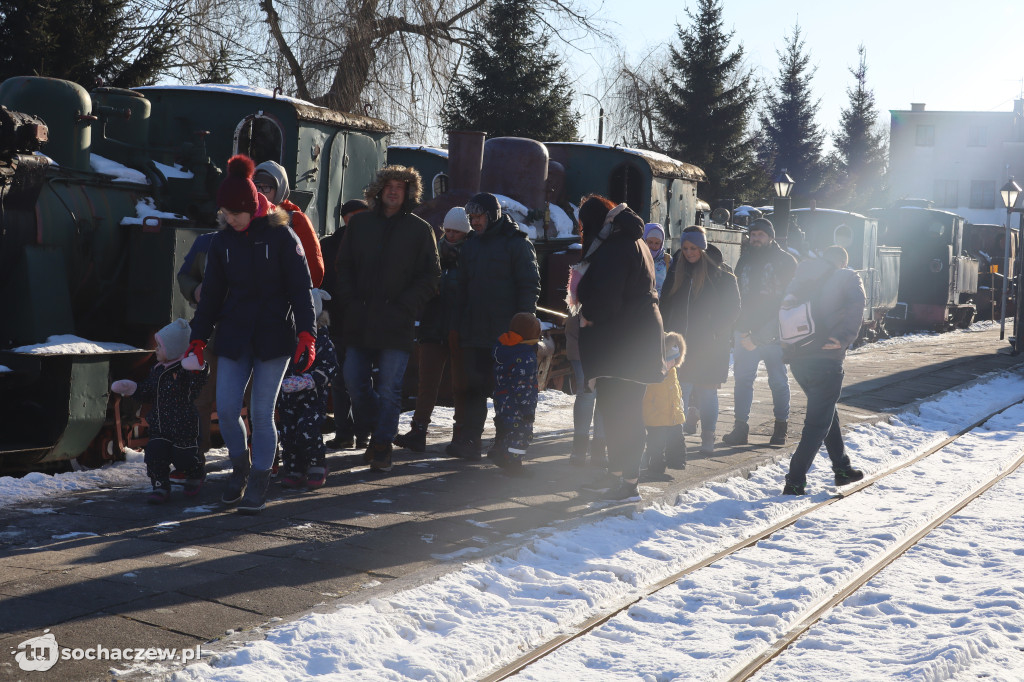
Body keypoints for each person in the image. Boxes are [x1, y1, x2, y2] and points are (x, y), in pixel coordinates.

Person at [187, 154, 317, 514]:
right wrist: (198, 338)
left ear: (252, 208)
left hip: (273, 337)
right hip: (234, 334)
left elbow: (301, 289)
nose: (228, 219)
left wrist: (308, 333)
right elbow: (211, 295)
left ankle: (260, 476)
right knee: (227, 410)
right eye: (225, 213)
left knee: (261, 412)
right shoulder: (223, 241)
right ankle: (239, 468)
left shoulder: (281, 235)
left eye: (234, 213)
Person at [335, 165, 440, 473]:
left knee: (390, 386)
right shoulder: (361, 225)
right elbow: (344, 266)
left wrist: (407, 304)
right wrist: (350, 301)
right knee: (353, 380)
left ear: (409, 192)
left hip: (396, 320)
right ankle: (373, 427)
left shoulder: (420, 230)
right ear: (379, 190)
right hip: (360, 317)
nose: (394, 190)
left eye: (401, 186)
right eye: (389, 185)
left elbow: (431, 276)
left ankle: (381, 445)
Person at [571, 196, 666, 500]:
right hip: (632, 339)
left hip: (625, 342)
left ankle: (627, 482)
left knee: (620, 412)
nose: (582, 231)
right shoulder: (632, 241)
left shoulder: (616, 246)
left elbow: (608, 300)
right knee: (619, 411)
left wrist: (588, 316)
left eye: (584, 225)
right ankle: (620, 477)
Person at [450, 193, 540, 460]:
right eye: (471, 218)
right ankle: (470, 441)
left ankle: (503, 443)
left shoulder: (517, 245)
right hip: (474, 330)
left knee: (506, 393)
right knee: (473, 388)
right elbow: (462, 287)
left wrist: (522, 329)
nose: (473, 222)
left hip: (507, 335)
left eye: (477, 217)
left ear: (492, 215)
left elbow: (529, 285)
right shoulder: (471, 246)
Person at [781, 246, 866, 495]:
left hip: (798, 360)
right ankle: (795, 479)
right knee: (817, 423)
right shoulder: (848, 276)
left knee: (828, 412)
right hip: (826, 359)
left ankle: (842, 468)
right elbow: (857, 305)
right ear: (842, 261)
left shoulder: (802, 275)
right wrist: (843, 337)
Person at [394, 206, 472, 452]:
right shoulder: (435, 251)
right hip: (433, 323)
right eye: (447, 230)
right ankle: (419, 431)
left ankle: (460, 434)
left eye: (456, 231)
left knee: (460, 384)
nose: (450, 235)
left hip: (458, 327)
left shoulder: (472, 255)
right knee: (426, 383)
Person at [661, 225, 741, 454]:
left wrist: (716, 330)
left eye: (693, 248)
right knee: (680, 391)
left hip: (709, 346)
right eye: (685, 248)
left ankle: (708, 437)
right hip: (681, 345)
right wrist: (665, 334)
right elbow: (665, 304)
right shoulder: (677, 271)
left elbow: (734, 309)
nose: (688, 252)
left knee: (707, 393)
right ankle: (676, 443)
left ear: (703, 248)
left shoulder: (722, 274)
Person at [110, 318, 209, 503]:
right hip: (160, 425)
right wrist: (134, 389)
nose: (155, 350)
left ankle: (195, 473)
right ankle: (160, 486)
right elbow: (149, 391)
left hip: (184, 427)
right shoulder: (157, 370)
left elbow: (197, 385)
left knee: (185, 457)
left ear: (173, 350)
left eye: (159, 347)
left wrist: (198, 369)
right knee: (154, 455)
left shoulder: (185, 371)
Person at [723, 217, 797, 447]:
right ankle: (740, 428)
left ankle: (780, 428)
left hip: (774, 331)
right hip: (744, 330)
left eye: (760, 235)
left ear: (770, 237)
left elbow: (790, 299)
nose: (755, 239)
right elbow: (735, 294)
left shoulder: (786, 261)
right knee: (743, 380)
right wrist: (735, 326)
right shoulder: (744, 260)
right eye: (752, 235)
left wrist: (767, 331)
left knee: (778, 380)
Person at [319, 199, 370, 450]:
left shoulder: (372, 245)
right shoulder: (328, 246)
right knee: (338, 381)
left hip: (362, 323)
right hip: (337, 321)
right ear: (345, 218)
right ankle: (344, 432)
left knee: (358, 381)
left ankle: (362, 431)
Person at [278, 289, 339, 489]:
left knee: (307, 429)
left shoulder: (322, 340)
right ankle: (294, 467)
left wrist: (310, 380)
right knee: (288, 431)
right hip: (288, 399)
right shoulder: (286, 338)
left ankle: (316, 464)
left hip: (312, 399)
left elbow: (330, 367)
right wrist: (282, 381)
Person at [253, 160, 325, 287]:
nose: (260, 192)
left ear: (279, 190)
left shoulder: (297, 220)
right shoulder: (243, 217)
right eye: (256, 186)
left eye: (266, 187)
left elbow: (314, 270)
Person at [490, 312, 541, 476]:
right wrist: (527, 409)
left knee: (507, 430)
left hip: (503, 399)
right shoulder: (526, 355)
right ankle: (514, 464)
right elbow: (523, 385)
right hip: (519, 404)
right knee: (521, 434)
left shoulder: (505, 349)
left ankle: (501, 453)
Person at [641, 331, 686, 476]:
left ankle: (676, 461)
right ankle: (655, 465)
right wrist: (651, 413)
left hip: (673, 415)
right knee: (656, 444)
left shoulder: (673, 372)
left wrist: (679, 408)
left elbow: (677, 392)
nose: (671, 363)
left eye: (674, 359)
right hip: (656, 417)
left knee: (677, 440)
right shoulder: (653, 376)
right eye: (668, 360)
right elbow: (647, 398)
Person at [565, 313, 606, 467]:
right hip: (586, 338)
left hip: (604, 340)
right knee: (590, 394)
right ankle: (586, 450)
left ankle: (592, 450)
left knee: (599, 395)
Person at [643, 222, 672, 295]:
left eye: (657, 243)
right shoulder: (638, 259)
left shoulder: (668, 261)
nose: (653, 246)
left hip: (662, 304)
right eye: (650, 242)